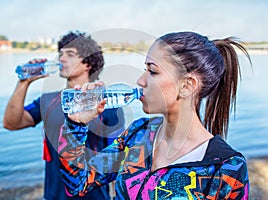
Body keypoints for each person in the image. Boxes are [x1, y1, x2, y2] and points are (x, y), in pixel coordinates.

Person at [57, 31, 251, 199]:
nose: (140, 81)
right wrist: (76, 125)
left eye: (152, 71)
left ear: (187, 86)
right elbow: (77, 184)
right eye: (144, 70)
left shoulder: (225, 168)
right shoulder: (138, 134)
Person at [3, 31, 125, 200]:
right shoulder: (48, 100)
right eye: (60, 54)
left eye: (70, 54)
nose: (61, 59)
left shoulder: (108, 105)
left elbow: (116, 159)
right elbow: (11, 123)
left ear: (87, 63)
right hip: (54, 195)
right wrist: (23, 83)